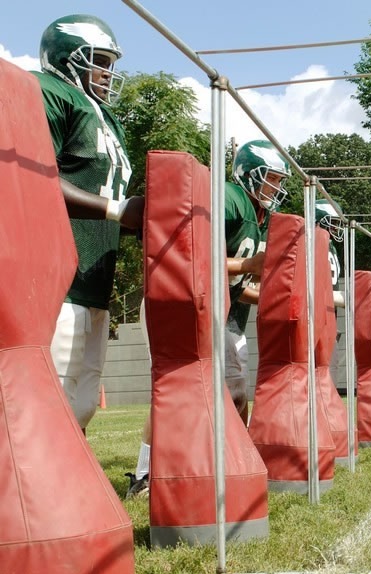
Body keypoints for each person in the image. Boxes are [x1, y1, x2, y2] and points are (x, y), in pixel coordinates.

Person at [125, 139, 289, 497]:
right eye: (271, 179)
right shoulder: (230, 198)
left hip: (220, 312)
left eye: (279, 180)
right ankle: (145, 473)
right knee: (173, 387)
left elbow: (233, 281)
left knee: (236, 392)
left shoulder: (262, 218)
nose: (276, 188)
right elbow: (190, 255)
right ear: (248, 175)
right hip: (179, 304)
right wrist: (248, 265)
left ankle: (231, 458)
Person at [35, 14, 144, 434]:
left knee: (82, 401)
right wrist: (118, 211)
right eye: (98, 61)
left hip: (96, 279)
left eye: (110, 63)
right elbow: (34, 177)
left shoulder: (107, 118)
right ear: (66, 59)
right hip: (58, 276)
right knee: (52, 397)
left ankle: (62, 492)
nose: (107, 72)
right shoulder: (49, 92)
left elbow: (106, 194)